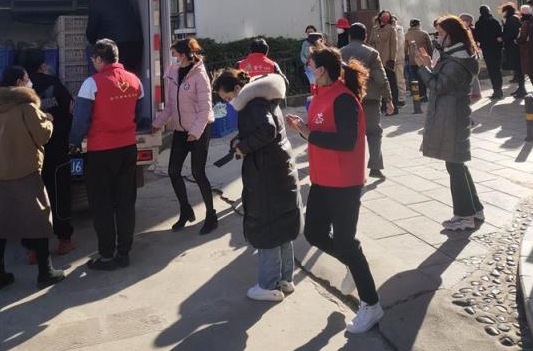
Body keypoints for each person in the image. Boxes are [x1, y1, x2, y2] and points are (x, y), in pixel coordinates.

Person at [287, 46, 384, 334]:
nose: (307, 70)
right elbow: (319, 132)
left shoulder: (343, 98)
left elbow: (345, 141)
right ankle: (352, 265)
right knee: (314, 234)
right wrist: (303, 127)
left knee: (346, 241)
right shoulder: (320, 94)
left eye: (310, 65)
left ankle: (371, 304)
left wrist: (307, 132)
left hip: (344, 182)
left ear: (322, 70)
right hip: (322, 179)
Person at [214, 69, 301, 302]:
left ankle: (268, 285)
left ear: (236, 89)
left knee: (268, 228)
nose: (229, 103)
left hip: (266, 175)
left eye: (228, 98)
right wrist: (241, 142)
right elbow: (264, 130)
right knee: (282, 227)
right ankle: (286, 279)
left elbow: (267, 130)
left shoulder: (253, 104)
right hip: (278, 170)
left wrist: (244, 147)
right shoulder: (264, 98)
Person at [0, 66, 65, 292]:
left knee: (2, 222)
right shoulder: (26, 107)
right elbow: (43, 135)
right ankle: (45, 271)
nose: (30, 82)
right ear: (20, 82)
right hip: (25, 171)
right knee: (40, 218)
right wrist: (48, 119)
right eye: (27, 79)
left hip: (1, 173)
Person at [70, 38, 144, 269]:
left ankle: (106, 255)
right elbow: (139, 112)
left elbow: (80, 120)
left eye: (93, 58)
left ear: (100, 59)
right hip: (128, 148)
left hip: (101, 151)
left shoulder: (91, 83)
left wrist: (73, 142)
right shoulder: (135, 80)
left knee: (101, 204)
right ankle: (124, 253)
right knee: (125, 202)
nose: (93, 62)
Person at [414, 15, 484, 231]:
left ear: (451, 35)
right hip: (452, 113)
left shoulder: (456, 60)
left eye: (441, 33)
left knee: (454, 164)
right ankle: (475, 209)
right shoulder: (455, 56)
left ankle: (464, 215)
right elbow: (442, 80)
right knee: (456, 163)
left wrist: (423, 68)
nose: (437, 37)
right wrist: (429, 65)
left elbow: (439, 85)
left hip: (452, 115)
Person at [150, 38, 217, 234]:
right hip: (180, 131)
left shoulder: (200, 75)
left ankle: (211, 216)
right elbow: (170, 106)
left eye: (176, 54)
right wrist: (157, 124)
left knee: (198, 173)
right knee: (173, 171)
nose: (173, 58)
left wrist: (195, 132)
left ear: (185, 54)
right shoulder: (173, 73)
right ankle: (185, 210)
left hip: (199, 131)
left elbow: (205, 109)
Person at [23, 49, 75, 257]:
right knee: (60, 193)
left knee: (32, 199)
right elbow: (71, 109)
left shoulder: (18, 91)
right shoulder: (54, 84)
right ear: (43, 65)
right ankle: (64, 240)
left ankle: (33, 250)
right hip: (56, 149)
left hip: (29, 153)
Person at [341, 22, 394, 179]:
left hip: (346, 100)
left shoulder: (340, 53)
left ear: (349, 36)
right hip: (370, 99)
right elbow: (380, 78)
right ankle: (375, 167)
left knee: (349, 134)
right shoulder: (372, 53)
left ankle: (351, 170)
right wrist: (388, 99)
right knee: (374, 133)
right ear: (365, 36)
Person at [85, 0, 143, 75]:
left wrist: (92, 43)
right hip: (136, 43)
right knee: (129, 74)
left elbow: (92, 30)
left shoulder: (96, 3)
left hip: (118, 46)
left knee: (113, 76)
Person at [369, 10, 399, 114]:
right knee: (379, 83)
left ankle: (394, 106)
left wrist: (392, 59)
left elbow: (394, 45)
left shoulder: (391, 29)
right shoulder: (374, 29)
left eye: (387, 17)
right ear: (380, 17)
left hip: (387, 60)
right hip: (376, 60)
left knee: (391, 84)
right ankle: (382, 106)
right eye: (383, 16)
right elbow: (370, 42)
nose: (385, 18)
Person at [474, 5, 503, 99]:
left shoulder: (479, 23)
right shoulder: (495, 22)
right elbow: (500, 35)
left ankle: (496, 90)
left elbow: (477, 37)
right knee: (497, 69)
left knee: (491, 70)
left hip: (487, 49)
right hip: (497, 49)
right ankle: (499, 90)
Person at [501, 3, 526, 98]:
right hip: (513, 47)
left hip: (513, 47)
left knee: (518, 69)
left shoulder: (512, 19)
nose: (503, 13)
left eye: (504, 11)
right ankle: (521, 88)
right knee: (518, 69)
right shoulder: (513, 18)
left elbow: (511, 33)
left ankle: (522, 89)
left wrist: (502, 38)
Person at [404, 19, 433, 103]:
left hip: (413, 60)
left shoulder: (407, 35)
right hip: (424, 59)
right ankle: (424, 95)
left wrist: (406, 57)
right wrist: (430, 56)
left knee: (416, 78)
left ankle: (418, 96)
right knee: (424, 77)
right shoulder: (424, 33)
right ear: (418, 25)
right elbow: (430, 46)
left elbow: (405, 48)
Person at [459, 13, 482, 102]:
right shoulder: (462, 30)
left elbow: (476, 41)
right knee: (471, 74)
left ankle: (473, 93)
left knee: (472, 74)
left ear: (469, 21)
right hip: (468, 53)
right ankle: (474, 93)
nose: (462, 22)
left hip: (470, 53)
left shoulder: (471, 30)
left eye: (464, 20)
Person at [517, 4, 533, 96]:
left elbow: (523, 37)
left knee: (531, 71)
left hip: (526, 48)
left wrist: (517, 41)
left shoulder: (524, 23)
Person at [391, 15, 407, 106]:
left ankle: (402, 99)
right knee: (393, 80)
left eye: (394, 20)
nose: (393, 22)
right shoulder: (389, 29)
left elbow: (399, 44)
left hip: (398, 58)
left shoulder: (399, 30)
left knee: (399, 79)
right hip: (391, 59)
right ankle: (396, 98)